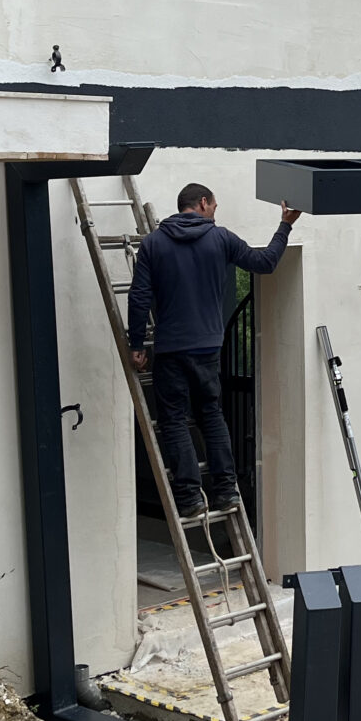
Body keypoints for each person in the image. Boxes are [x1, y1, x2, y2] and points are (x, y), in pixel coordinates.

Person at [128, 184, 299, 518]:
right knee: (210, 415)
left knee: (174, 420)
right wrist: (285, 225)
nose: (216, 213)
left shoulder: (153, 243)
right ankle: (226, 490)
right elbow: (265, 263)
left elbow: (139, 297)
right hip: (207, 348)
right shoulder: (220, 239)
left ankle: (190, 498)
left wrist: (137, 345)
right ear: (203, 203)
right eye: (215, 207)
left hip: (171, 348)